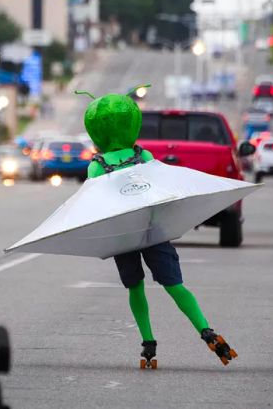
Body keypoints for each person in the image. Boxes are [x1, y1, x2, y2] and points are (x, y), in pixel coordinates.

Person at [79, 86, 237, 368]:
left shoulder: (97, 166)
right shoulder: (145, 157)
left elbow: (93, 204)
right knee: (174, 285)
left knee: (135, 287)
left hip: (122, 235)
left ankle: (148, 341)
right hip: (153, 231)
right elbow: (163, 190)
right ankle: (206, 330)